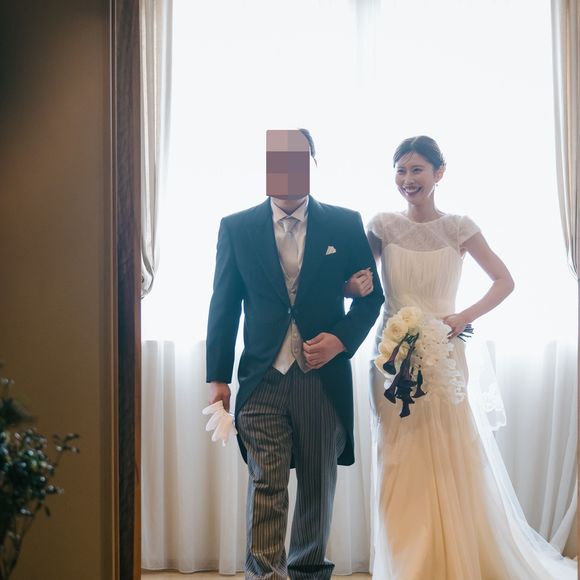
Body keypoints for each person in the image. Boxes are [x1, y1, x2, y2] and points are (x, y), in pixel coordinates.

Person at [347, 135, 577, 579]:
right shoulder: (381, 225)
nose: (407, 179)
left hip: (443, 352)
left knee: (450, 449)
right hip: (391, 354)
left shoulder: (459, 227)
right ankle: (406, 563)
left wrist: (462, 318)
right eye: (400, 170)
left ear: (439, 173)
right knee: (397, 454)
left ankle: (453, 557)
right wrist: (351, 288)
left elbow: (504, 280)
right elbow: (354, 281)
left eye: (417, 169)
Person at [205, 128, 384, 579]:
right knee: (266, 481)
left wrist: (339, 341)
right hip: (262, 378)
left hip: (322, 379)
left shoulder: (344, 223)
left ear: (312, 165)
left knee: (318, 486)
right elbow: (223, 306)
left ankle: (308, 573)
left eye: (298, 159)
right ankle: (264, 574)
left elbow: (372, 299)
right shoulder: (237, 227)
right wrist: (218, 377)